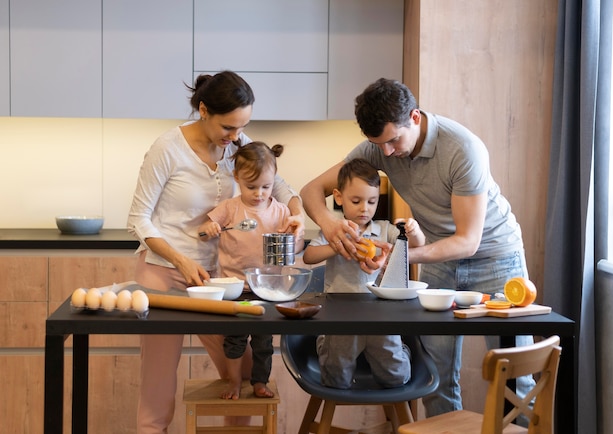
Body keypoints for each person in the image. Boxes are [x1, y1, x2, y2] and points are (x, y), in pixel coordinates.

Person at [300, 77, 534, 418]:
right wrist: (330, 225)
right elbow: (310, 190)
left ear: (415, 116)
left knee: (515, 374)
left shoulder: (462, 148)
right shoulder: (379, 147)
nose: (387, 154)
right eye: (378, 145)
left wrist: (397, 256)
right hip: (440, 258)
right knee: (436, 374)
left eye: (393, 141)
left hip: (496, 258)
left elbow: (468, 242)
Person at [127, 70, 305, 433]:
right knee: (158, 379)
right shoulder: (168, 148)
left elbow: (282, 187)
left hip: (222, 282)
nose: (236, 137)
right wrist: (180, 259)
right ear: (203, 110)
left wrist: (298, 214)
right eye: (228, 127)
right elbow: (138, 219)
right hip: (165, 274)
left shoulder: (237, 145)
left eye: (242, 127)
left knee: (239, 371)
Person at [303, 158, 424, 389]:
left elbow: (415, 247)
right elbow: (309, 256)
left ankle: (401, 349)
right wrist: (339, 244)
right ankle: (324, 343)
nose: (364, 208)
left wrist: (413, 230)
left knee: (396, 377)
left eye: (372, 201)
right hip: (341, 317)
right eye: (356, 201)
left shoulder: (385, 230)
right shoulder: (335, 231)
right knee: (335, 380)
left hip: (381, 316)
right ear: (338, 197)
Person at [198, 141, 304, 400]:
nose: (259, 194)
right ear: (237, 178)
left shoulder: (280, 211)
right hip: (234, 288)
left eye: (266, 187)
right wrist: (208, 229)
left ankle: (259, 382)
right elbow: (202, 231)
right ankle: (234, 382)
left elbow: (296, 246)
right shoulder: (231, 208)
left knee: (263, 342)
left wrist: (294, 235)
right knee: (233, 341)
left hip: (267, 289)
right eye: (251, 187)